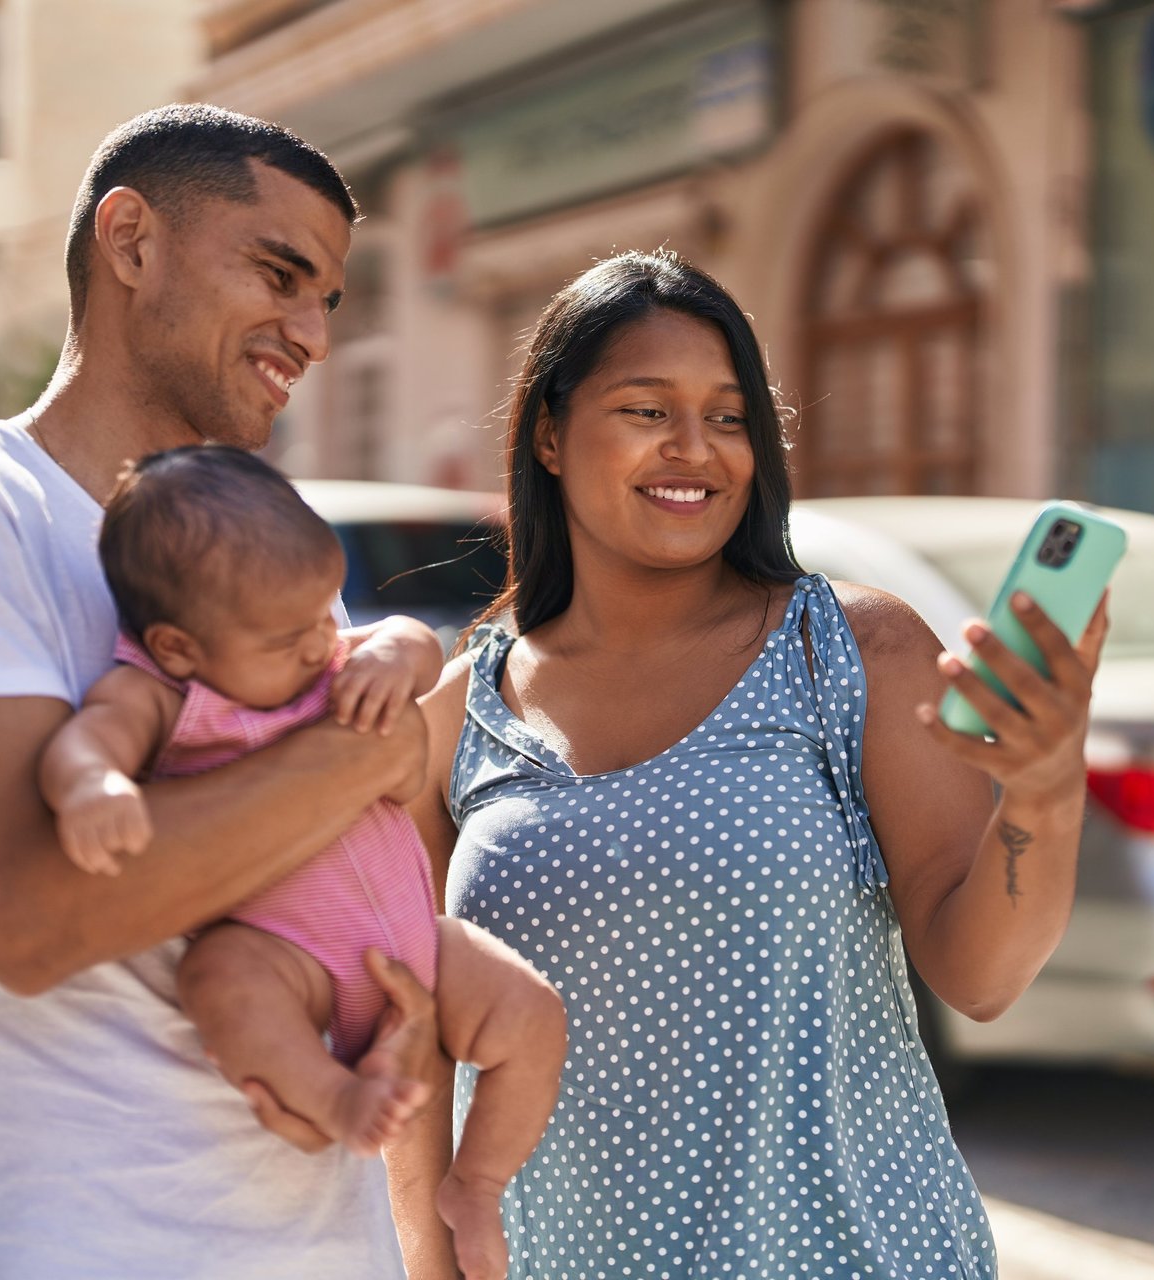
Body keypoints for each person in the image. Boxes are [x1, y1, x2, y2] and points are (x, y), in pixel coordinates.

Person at [0, 105, 447, 1278]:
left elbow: (368, 898)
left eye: (328, 300)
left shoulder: (261, 556)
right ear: (133, 240)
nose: (311, 333)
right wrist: (371, 749)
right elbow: (31, 917)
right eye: (279, 272)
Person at [389, 249, 1110, 1278]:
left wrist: (1044, 788)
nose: (697, 449)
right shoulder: (467, 701)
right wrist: (425, 1255)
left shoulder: (848, 648)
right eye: (647, 410)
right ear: (549, 432)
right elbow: (411, 1023)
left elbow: (981, 975)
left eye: (729, 416)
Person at [38, 444, 565, 1278]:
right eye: (289, 637)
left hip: (414, 944)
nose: (323, 645)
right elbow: (90, 738)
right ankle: (333, 1097)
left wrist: (395, 656)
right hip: (293, 961)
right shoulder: (163, 694)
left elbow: (407, 637)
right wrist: (94, 784)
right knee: (221, 977)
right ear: (178, 646)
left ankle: (480, 1184)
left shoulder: (331, 659)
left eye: (327, 614)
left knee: (533, 1014)